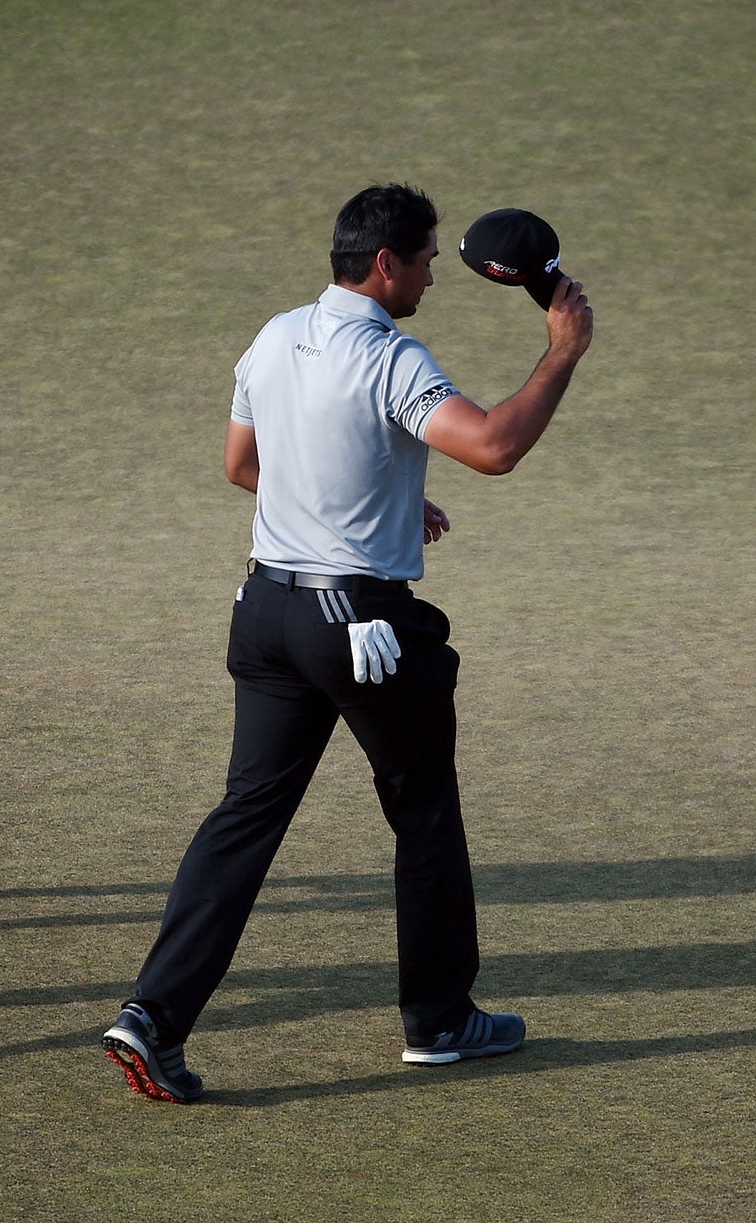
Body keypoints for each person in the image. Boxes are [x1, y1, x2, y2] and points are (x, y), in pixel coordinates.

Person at [104, 182, 594, 1101]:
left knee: (243, 818)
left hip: (267, 616)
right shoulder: (392, 358)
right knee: (423, 810)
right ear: (384, 265)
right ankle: (441, 1021)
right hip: (361, 627)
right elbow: (492, 447)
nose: (431, 280)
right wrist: (560, 352)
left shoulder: (273, 335)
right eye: (425, 262)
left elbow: (243, 466)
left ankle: (152, 1016)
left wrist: (389, 501)